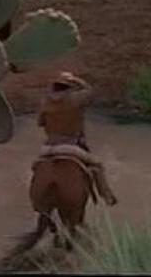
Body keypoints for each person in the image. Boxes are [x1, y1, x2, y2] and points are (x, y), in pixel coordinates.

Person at [36, 72, 117, 206]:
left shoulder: (45, 102)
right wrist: (75, 79)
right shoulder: (75, 99)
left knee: (35, 167)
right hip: (71, 147)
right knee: (97, 165)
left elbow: (40, 123)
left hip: (48, 148)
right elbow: (90, 91)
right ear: (69, 86)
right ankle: (107, 196)